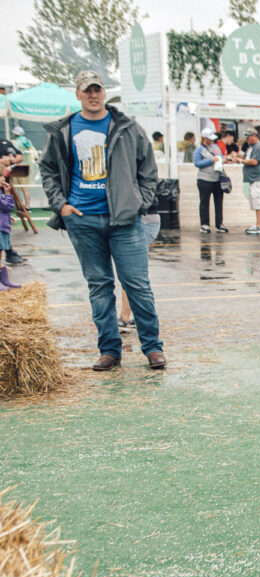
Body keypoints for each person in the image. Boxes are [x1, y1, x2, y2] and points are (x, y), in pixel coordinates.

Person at [40, 69, 165, 371]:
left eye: (97, 89)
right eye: (87, 90)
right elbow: (48, 170)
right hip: (82, 220)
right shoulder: (64, 130)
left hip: (124, 220)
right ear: (78, 94)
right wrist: (61, 206)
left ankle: (152, 348)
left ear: (104, 92)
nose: (93, 95)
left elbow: (148, 169)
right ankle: (110, 349)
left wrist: (140, 203)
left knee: (137, 285)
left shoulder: (128, 127)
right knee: (99, 286)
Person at [193, 129, 226, 233]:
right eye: (209, 139)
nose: (211, 141)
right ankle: (204, 224)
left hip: (217, 178)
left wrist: (223, 159)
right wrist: (210, 160)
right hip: (204, 179)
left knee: (219, 202)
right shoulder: (199, 149)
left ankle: (219, 224)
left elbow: (221, 156)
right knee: (204, 202)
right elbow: (197, 163)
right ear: (204, 138)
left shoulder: (216, 147)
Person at [241, 129, 260, 235]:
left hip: (259, 178)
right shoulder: (253, 147)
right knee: (256, 201)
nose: (247, 140)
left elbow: (254, 161)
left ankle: (259, 226)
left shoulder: (259, 146)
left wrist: (241, 161)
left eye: (248, 137)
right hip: (254, 179)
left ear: (254, 136)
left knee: (258, 202)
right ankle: (258, 224)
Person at [0, 173, 21, 289]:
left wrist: (7, 216)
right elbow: (7, 206)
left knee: (0, 253)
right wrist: (8, 194)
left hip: (2, 226)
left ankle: (4, 280)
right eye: (0, 176)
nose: (3, 179)